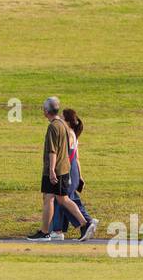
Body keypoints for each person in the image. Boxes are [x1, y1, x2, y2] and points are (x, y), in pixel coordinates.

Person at [27, 97, 90, 241]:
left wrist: (51, 171)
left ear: (46, 111)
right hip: (64, 168)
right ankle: (84, 224)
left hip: (55, 169)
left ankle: (45, 233)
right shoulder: (63, 125)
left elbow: (53, 151)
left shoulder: (53, 126)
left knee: (50, 198)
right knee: (61, 199)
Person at [49, 108, 97, 240]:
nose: (60, 119)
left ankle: (62, 230)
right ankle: (84, 222)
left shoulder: (68, 133)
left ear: (68, 121)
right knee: (69, 198)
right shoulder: (73, 134)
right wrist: (80, 176)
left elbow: (65, 156)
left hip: (68, 169)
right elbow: (76, 157)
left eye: (62, 118)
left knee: (61, 199)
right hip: (74, 169)